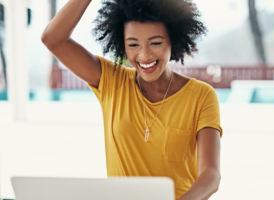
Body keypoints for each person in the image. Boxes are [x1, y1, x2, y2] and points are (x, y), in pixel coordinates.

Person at [41, 0, 223, 199]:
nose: (144, 55)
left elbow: (211, 174)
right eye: (133, 44)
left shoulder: (201, 95)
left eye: (155, 43)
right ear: (122, 44)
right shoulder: (111, 81)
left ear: (174, 39)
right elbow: (53, 39)